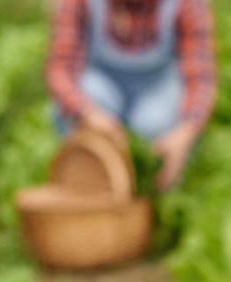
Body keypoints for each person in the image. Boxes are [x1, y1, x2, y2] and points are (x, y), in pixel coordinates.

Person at [47, 0, 216, 190]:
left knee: (156, 124)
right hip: (103, 88)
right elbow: (60, 71)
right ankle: (89, 186)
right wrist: (88, 113)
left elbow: (201, 79)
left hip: (157, 89)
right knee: (84, 100)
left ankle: (157, 191)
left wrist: (185, 134)